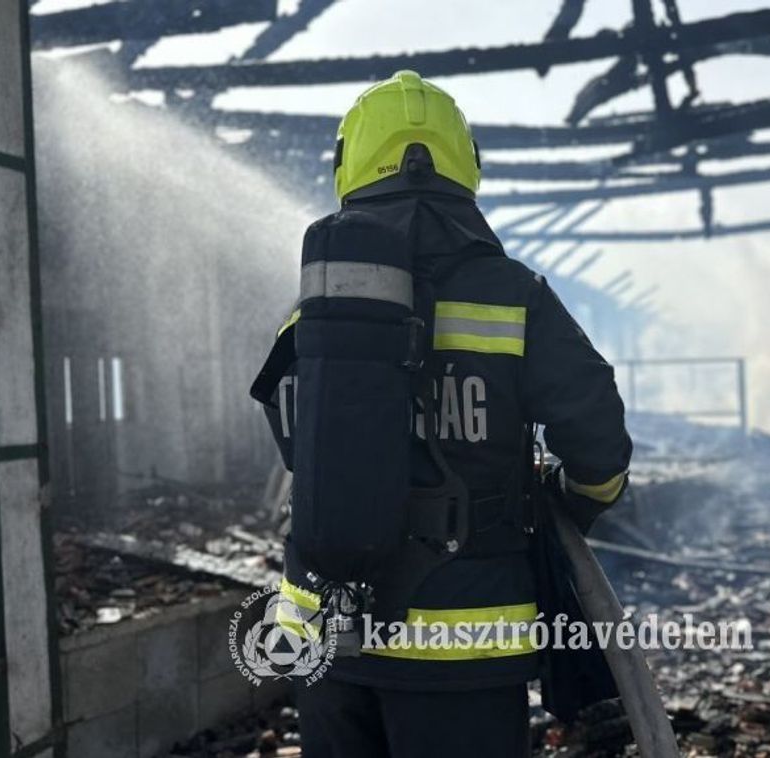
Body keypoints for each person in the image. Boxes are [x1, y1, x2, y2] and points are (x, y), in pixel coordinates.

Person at [269, 70, 631, 758]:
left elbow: (293, 432)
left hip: (325, 629)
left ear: (350, 163)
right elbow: (597, 431)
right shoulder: (515, 294)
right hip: (462, 638)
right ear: (465, 163)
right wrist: (579, 498)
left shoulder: (319, 303)